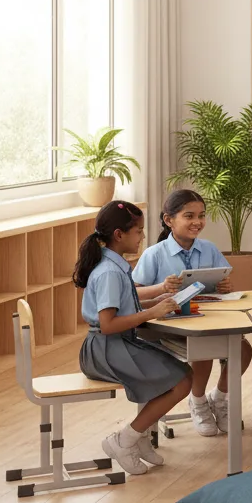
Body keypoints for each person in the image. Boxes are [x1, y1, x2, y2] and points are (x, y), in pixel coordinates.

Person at [75, 201, 192, 475]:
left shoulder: (113, 264)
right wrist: (152, 312)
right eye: (138, 231)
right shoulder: (109, 272)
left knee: (181, 373)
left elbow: (124, 298)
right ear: (119, 234)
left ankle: (136, 439)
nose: (142, 237)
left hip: (116, 344)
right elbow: (107, 324)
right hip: (106, 349)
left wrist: (158, 296)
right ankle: (124, 439)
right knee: (181, 380)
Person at [131, 189, 252, 438]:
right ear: (169, 220)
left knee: (243, 349)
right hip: (167, 328)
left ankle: (219, 398)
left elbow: (224, 283)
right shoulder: (154, 254)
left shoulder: (209, 249)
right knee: (204, 346)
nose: (197, 222)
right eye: (189, 216)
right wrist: (160, 290)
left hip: (207, 320)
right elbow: (133, 293)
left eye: (202, 215)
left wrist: (225, 286)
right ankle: (198, 403)